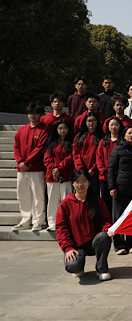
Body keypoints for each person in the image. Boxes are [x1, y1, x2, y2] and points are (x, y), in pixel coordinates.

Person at [56, 169, 114, 281]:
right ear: (72, 184)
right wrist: (68, 247)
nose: (80, 185)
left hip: (94, 242)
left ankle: (101, 268)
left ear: (89, 182)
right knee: (73, 266)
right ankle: (79, 266)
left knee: (104, 236)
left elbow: (106, 219)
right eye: (77, 181)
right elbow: (61, 227)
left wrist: (107, 228)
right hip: (76, 245)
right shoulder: (66, 203)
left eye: (84, 181)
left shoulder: (97, 200)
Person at [108, 126, 132, 255]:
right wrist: (112, 186)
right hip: (120, 188)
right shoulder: (117, 149)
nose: (131, 135)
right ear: (124, 135)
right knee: (118, 216)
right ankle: (119, 245)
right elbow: (111, 169)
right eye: (129, 133)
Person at [13, 103, 48, 231]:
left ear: (41, 115)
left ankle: (38, 220)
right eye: (30, 113)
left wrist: (27, 163)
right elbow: (16, 147)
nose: (33, 116)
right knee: (23, 194)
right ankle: (25, 219)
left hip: (36, 168)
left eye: (36, 113)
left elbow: (40, 149)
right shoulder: (21, 130)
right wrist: (20, 162)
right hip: (21, 169)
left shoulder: (44, 130)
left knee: (38, 195)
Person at [43, 119, 74, 231]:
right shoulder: (51, 143)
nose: (62, 130)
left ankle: (66, 222)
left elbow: (71, 157)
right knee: (52, 200)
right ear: (56, 130)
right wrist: (53, 169)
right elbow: (47, 158)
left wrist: (59, 169)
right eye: (60, 128)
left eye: (65, 128)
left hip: (66, 176)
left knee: (66, 200)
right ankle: (52, 223)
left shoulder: (71, 143)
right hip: (52, 177)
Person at [96, 117, 123, 214]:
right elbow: (99, 157)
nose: (114, 127)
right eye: (111, 125)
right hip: (105, 177)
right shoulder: (103, 142)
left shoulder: (122, 142)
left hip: (118, 177)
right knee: (106, 202)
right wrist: (104, 171)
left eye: (116, 125)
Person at [73, 112, 104, 194]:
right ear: (85, 122)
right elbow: (75, 153)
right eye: (89, 121)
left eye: (94, 120)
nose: (91, 123)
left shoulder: (102, 137)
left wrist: (93, 169)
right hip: (80, 173)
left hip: (94, 173)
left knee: (93, 196)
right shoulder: (79, 136)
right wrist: (81, 169)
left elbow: (102, 155)